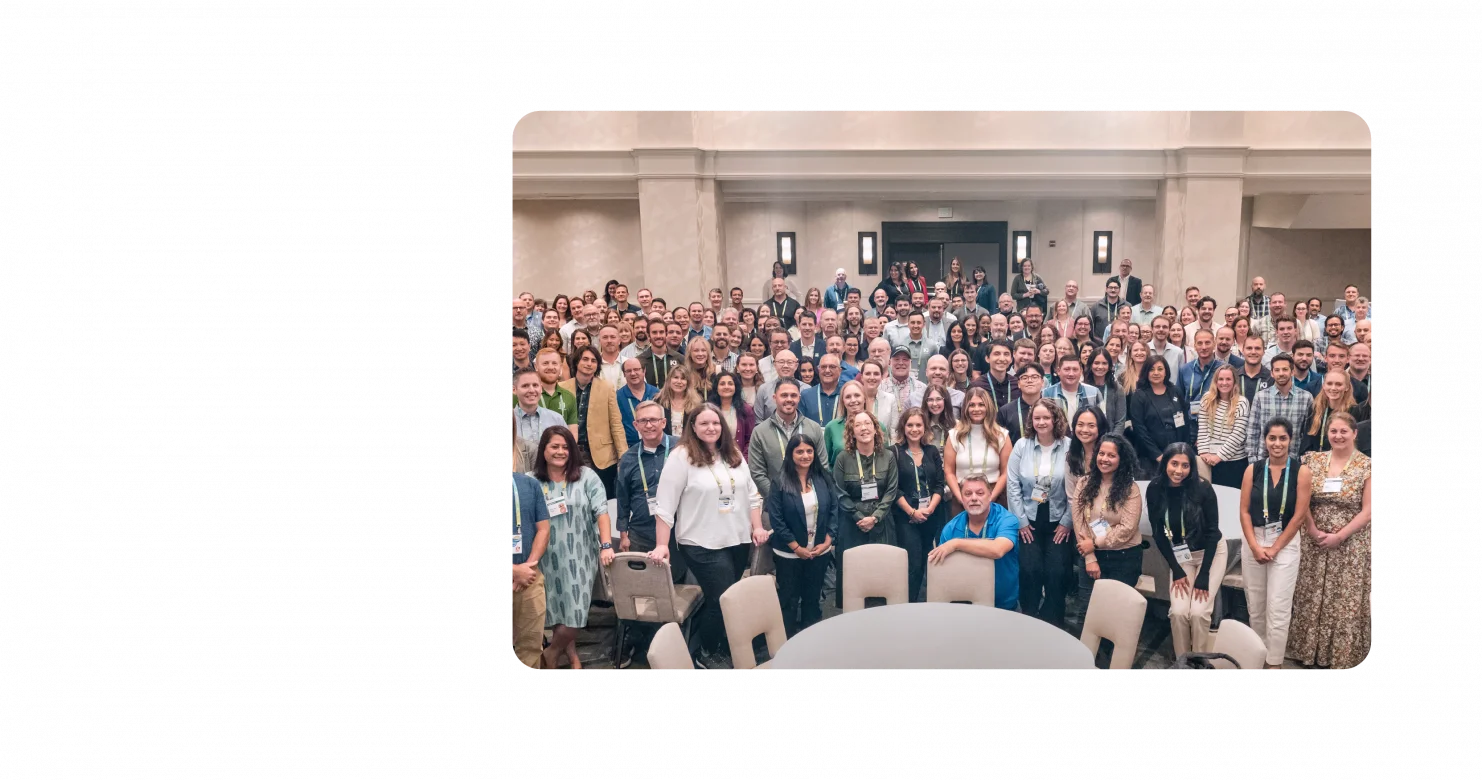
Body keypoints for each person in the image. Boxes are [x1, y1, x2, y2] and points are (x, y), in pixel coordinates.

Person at [650, 405, 767, 670]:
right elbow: (665, 505)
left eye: (715, 423)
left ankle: (717, 643)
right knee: (722, 597)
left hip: (737, 540)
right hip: (700, 542)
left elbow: (752, 494)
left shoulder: (733, 453)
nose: (711, 428)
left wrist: (757, 527)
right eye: (703, 423)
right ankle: (705, 651)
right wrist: (661, 544)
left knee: (724, 597)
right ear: (692, 426)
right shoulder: (681, 457)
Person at [1288, 412, 1373, 670]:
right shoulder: (1312, 461)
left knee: (1342, 600)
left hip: (1351, 544)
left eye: (1343, 432)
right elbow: (1302, 501)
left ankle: (1340, 656)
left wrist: (1340, 536)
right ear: (1327, 433)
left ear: (1354, 433)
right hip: (1314, 541)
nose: (1338, 436)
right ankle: (1308, 651)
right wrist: (1312, 530)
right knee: (1311, 594)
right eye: (1333, 431)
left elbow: (1368, 510)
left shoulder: (1367, 465)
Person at [531, 426, 614, 671]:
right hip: (545, 556)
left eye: (565, 447)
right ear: (543, 450)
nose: (560, 451)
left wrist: (606, 545)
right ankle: (572, 657)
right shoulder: (531, 481)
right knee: (558, 608)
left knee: (576, 611)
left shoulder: (586, 476)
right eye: (554, 446)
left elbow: (602, 512)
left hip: (580, 555)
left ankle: (550, 653)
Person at [1238, 417, 1312, 669]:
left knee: (1278, 607)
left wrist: (1275, 547)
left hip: (1286, 541)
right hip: (1254, 539)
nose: (1277, 443)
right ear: (1265, 440)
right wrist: (1255, 546)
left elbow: (1300, 515)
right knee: (1255, 605)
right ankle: (1258, 656)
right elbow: (1245, 511)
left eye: (1282, 438)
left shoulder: (1301, 471)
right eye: (1272, 438)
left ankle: (1274, 662)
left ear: (1291, 440)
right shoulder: (1253, 469)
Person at [1148, 443, 1226, 657]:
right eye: (1174, 464)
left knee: (1199, 613)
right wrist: (1177, 569)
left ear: (1192, 467)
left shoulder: (1203, 489)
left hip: (1210, 554)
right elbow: (1159, 534)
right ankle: (1184, 661)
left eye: (1185, 465)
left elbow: (1212, 532)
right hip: (1180, 556)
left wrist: (1204, 575)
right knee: (1179, 612)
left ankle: (1199, 661)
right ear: (1165, 464)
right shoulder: (1155, 488)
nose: (1179, 471)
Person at [763, 434, 838, 637]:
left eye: (809, 451)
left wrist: (829, 541)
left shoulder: (823, 478)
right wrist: (796, 547)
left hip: (818, 551)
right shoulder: (780, 482)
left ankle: (811, 639)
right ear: (790, 454)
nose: (805, 455)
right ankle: (787, 641)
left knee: (812, 598)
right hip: (789, 554)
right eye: (799, 451)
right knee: (789, 599)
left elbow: (833, 510)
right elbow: (777, 520)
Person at [1007, 399, 1073, 628]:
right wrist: (1021, 521)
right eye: (1037, 418)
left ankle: (1053, 622)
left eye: (1046, 417)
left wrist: (1067, 521)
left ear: (1056, 419)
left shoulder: (1069, 446)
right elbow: (1013, 484)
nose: (1042, 422)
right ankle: (1029, 618)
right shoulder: (1021, 446)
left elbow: (1077, 488)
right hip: (1029, 518)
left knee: (1056, 572)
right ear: (1031, 420)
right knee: (1029, 569)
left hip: (1059, 518)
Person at [834, 410, 900, 608]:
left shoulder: (888, 456)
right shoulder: (842, 458)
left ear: (875, 428)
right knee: (855, 577)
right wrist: (858, 517)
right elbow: (839, 492)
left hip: (882, 524)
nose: (864, 428)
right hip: (852, 524)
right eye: (858, 425)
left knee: (882, 574)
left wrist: (875, 517)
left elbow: (891, 491)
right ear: (851, 433)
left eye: (868, 424)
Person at [930, 475, 1020, 610]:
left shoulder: (1006, 520)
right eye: (967, 494)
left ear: (990, 495)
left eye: (980, 493)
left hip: (1003, 605)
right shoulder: (950, 528)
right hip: (963, 605)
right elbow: (943, 574)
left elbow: (997, 550)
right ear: (961, 498)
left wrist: (956, 544)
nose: (973, 498)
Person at [1072, 434, 1144, 590]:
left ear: (1122, 459)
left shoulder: (1131, 489)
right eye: (1101, 453)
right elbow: (1079, 522)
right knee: (1088, 609)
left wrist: (1095, 544)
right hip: (1090, 555)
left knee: (1117, 611)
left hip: (1123, 557)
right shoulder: (1083, 483)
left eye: (1112, 455)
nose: (1104, 459)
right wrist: (1090, 557)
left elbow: (1127, 528)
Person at [894, 408, 947, 603]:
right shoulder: (895, 452)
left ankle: (926, 604)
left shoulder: (932, 451)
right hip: (906, 517)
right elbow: (894, 488)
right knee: (913, 564)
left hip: (931, 515)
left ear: (925, 428)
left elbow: (939, 485)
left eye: (918, 425)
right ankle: (907, 605)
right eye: (910, 425)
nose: (914, 429)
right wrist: (912, 511)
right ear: (903, 427)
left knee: (928, 560)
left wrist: (931, 508)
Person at [560, 345, 628, 497]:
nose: (589, 363)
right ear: (577, 362)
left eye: (593, 360)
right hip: (570, 451)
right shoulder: (562, 388)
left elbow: (616, 423)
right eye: (585, 359)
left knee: (603, 498)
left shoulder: (606, 388)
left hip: (600, 454)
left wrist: (623, 454)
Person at [944, 387, 1013, 512]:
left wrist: (991, 498)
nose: (976, 409)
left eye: (981, 405)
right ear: (965, 408)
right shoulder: (954, 435)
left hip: (994, 498)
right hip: (963, 498)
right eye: (972, 405)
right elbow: (949, 472)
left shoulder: (1002, 435)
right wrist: (961, 499)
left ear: (988, 407)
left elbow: (1006, 472)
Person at [511, 469, 551, 669]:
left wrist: (527, 567)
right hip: (519, 575)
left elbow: (543, 529)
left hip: (529, 578)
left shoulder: (529, 484)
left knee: (530, 650)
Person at [1127, 356, 1191, 479]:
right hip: (1150, 459)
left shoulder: (1175, 391)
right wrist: (1158, 455)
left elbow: (1185, 422)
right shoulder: (1139, 396)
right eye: (1152, 369)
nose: (1156, 373)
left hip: (1178, 456)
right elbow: (1140, 430)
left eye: (1160, 369)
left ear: (1166, 371)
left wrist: (1185, 450)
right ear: (1146, 372)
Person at [1247, 353, 1313, 464]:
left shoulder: (1306, 397)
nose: (1281, 373)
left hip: (1294, 461)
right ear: (1272, 373)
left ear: (1292, 372)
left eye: (1285, 369)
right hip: (1264, 460)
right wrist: (1253, 461)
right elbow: (1253, 431)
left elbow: (1308, 434)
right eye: (1277, 370)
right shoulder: (1260, 397)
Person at [1196, 365, 1251, 489]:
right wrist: (1204, 452)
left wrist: (1219, 456)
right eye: (1220, 379)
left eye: (1228, 379)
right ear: (1215, 381)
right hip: (1208, 461)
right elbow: (1203, 427)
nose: (1224, 383)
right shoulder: (1207, 399)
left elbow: (1238, 434)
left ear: (1234, 382)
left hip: (1234, 463)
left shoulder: (1241, 402)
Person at [1302, 370, 1369, 454]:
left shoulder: (1355, 411)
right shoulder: (1315, 408)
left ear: (1347, 387)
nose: (1333, 388)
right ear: (1323, 386)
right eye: (1329, 383)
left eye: (1338, 384)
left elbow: (1357, 444)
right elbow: (1307, 440)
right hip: (1316, 461)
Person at [513, 368, 568, 449]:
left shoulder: (556, 419)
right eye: (525, 386)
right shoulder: (512, 419)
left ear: (541, 388)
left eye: (535, 385)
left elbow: (568, 449)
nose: (531, 390)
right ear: (514, 390)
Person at [708, 369, 755, 456]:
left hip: (738, 459)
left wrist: (743, 460)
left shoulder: (745, 409)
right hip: (712, 458)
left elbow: (751, 439)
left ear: (735, 387)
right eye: (722, 384)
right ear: (716, 388)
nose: (726, 387)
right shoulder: (708, 410)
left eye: (730, 384)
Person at [1045, 353, 1101, 425]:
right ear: (1058, 371)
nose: (1071, 374)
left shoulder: (1094, 393)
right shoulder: (1047, 393)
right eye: (1067, 369)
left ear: (1081, 371)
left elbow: (1101, 422)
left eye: (1075, 369)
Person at [997, 362, 1046, 443]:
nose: (1029, 380)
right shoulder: (1005, 411)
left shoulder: (1053, 409)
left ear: (1042, 382)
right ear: (1018, 383)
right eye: (1024, 377)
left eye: (1034, 377)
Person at [615, 358, 659, 447]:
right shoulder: (617, 397)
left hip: (656, 445)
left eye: (636, 369)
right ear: (624, 374)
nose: (633, 373)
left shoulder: (657, 394)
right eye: (628, 371)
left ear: (644, 371)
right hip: (630, 447)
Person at [1084, 348, 1126, 433]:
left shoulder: (1117, 389)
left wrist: (1112, 441)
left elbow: (1120, 422)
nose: (1100, 367)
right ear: (1091, 365)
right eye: (1096, 363)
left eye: (1104, 363)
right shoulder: (1082, 388)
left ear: (1109, 366)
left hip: (1110, 439)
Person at [798, 353, 845, 428]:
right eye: (823, 367)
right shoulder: (806, 395)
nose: (827, 370)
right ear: (818, 370)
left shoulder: (846, 394)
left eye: (832, 367)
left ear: (840, 370)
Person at [969, 339, 1018, 411]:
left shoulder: (1017, 384)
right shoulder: (977, 386)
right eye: (997, 354)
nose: (1002, 359)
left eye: (1006, 354)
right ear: (987, 358)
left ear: (1011, 359)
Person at [656, 364, 703, 437]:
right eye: (676, 377)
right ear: (669, 380)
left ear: (688, 382)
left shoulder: (697, 403)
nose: (679, 381)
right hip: (665, 445)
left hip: (689, 445)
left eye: (683, 378)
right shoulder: (658, 401)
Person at [755, 349, 800, 422]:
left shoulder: (806, 389)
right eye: (781, 362)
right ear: (774, 365)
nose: (785, 366)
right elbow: (758, 421)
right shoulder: (764, 389)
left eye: (790, 362)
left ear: (796, 365)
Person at [637, 317, 681, 389]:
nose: (658, 336)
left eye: (661, 332)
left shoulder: (680, 359)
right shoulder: (640, 361)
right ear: (648, 336)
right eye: (654, 332)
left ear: (666, 334)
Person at [1236, 334, 1272, 405]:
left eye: (1257, 348)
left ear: (1263, 351)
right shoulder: (1234, 376)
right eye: (1249, 348)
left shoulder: (1271, 378)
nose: (1253, 352)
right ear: (1243, 351)